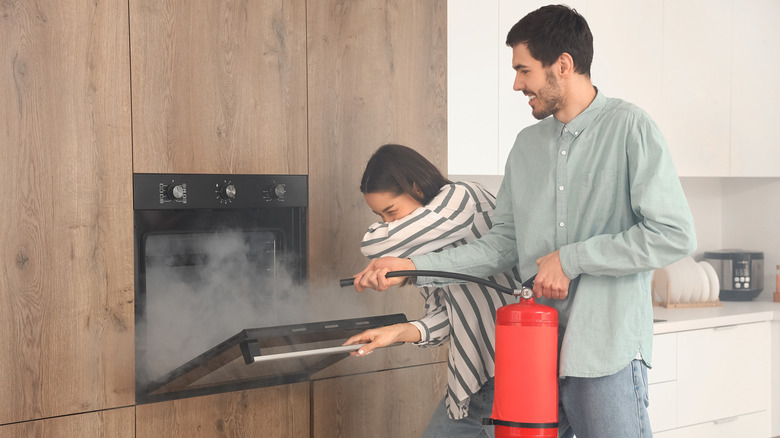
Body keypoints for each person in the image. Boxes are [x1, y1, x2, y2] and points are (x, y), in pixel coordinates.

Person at [352, 5, 696, 438]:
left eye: (524, 70)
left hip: (604, 350)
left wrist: (570, 259)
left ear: (563, 66)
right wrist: (412, 268)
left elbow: (673, 234)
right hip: (532, 351)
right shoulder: (527, 145)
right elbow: (501, 244)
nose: (517, 84)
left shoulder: (630, 128)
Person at [343, 144, 521, 438]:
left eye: (390, 211)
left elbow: (374, 245)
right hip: (475, 382)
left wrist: (399, 267)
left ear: (415, 187)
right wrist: (397, 331)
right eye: (379, 216)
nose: (388, 224)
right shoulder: (425, 248)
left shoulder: (463, 197)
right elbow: (444, 320)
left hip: (516, 371)